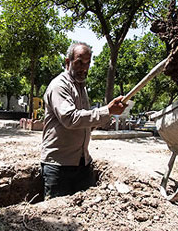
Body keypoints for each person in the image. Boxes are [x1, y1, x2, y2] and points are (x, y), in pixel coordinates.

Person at [41, 42, 127, 199]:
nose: (84, 68)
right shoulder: (59, 86)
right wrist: (107, 110)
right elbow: (71, 119)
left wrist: (106, 115)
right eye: (79, 62)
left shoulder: (81, 87)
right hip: (59, 167)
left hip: (83, 164)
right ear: (68, 62)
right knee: (57, 219)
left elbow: (84, 121)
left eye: (87, 63)